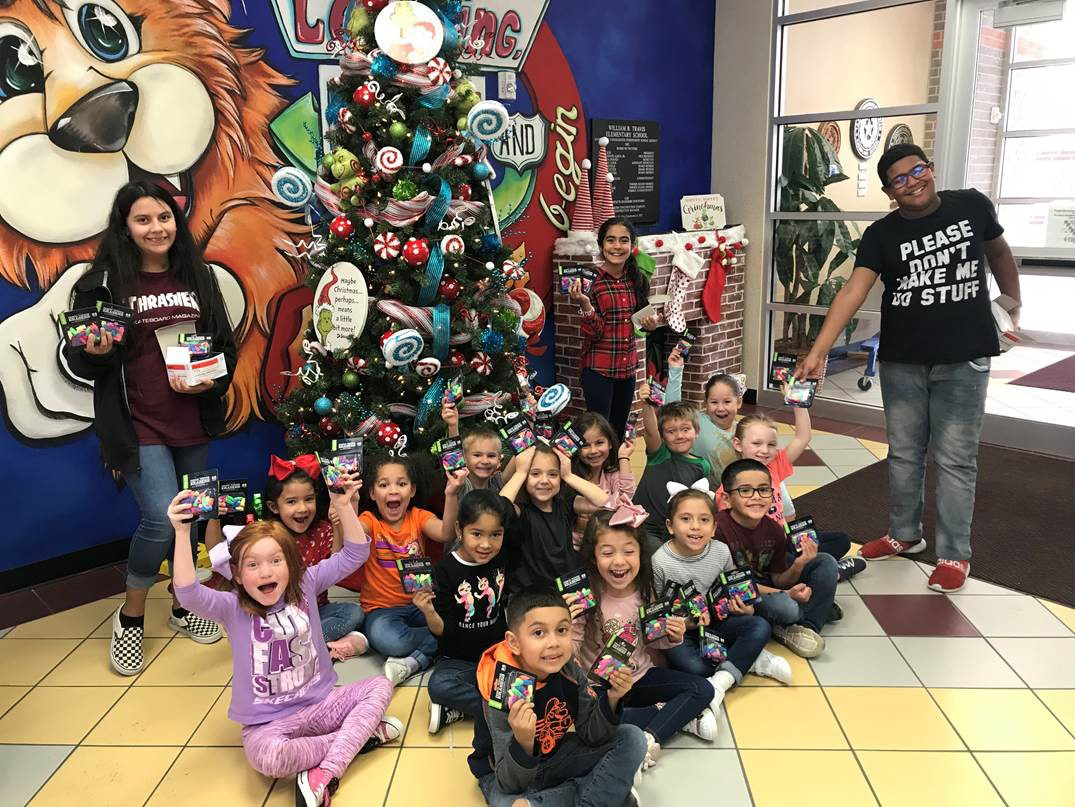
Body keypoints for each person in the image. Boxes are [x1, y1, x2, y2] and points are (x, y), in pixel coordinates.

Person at [799, 143, 1021, 593]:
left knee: (956, 459)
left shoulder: (972, 205)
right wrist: (818, 350)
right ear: (889, 191)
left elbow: (999, 254)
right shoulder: (881, 235)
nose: (911, 181)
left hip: (964, 357)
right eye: (899, 179)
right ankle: (904, 535)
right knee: (903, 452)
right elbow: (852, 293)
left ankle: (955, 554)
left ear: (931, 169)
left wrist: (1012, 304)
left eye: (917, 170)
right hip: (903, 361)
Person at [64, 180, 236, 676]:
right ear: (125, 227)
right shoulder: (100, 284)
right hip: (136, 423)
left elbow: (223, 344)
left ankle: (183, 604)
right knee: (161, 521)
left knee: (195, 516)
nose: (156, 228)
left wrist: (208, 374)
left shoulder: (197, 275)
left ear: (175, 222)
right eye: (143, 220)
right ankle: (131, 617)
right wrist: (94, 352)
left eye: (163, 217)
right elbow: (83, 362)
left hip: (194, 420)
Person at [168, 473, 399, 807]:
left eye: (276, 561)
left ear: (291, 565)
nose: (266, 573)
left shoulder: (305, 584)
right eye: (253, 565)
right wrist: (181, 531)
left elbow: (355, 554)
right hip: (267, 721)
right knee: (269, 760)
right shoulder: (232, 606)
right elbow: (188, 594)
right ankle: (357, 738)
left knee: (380, 686)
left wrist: (343, 505)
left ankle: (326, 772)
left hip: (320, 703)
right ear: (236, 574)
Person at [476, 586, 648, 807]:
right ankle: (605, 790)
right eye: (539, 633)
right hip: (503, 774)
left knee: (632, 737)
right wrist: (523, 742)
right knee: (509, 804)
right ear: (514, 643)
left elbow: (591, 735)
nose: (554, 643)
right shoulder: (500, 685)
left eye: (562, 630)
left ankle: (590, 791)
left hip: (555, 757)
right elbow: (510, 784)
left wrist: (612, 698)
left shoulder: (569, 669)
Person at [571, 509, 716, 771]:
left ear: (640, 553)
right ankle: (675, 716)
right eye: (607, 553)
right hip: (603, 687)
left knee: (704, 689)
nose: (619, 562)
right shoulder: (587, 596)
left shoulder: (645, 589)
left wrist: (673, 636)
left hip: (641, 677)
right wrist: (561, 628)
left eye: (628, 551)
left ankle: (650, 737)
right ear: (593, 557)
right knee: (595, 725)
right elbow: (572, 646)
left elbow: (653, 641)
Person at [654, 488, 790, 711]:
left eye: (704, 520)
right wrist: (687, 623)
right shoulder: (660, 562)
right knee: (695, 667)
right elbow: (658, 613)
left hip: (719, 620)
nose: (696, 526)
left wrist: (742, 608)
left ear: (714, 527)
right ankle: (748, 658)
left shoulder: (721, 551)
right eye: (686, 519)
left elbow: (733, 587)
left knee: (759, 625)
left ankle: (722, 681)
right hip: (685, 630)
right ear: (670, 526)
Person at [415, 488, 510, 777]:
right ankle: (502, 705)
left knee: (524, 675)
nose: (486, 544)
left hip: (495, 655)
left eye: (495, 534)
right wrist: (429, 612)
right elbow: (443, 632)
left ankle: (468, 709)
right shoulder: (446, 571)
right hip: (458, 661)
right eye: (477, 534)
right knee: (438, 686)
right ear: (459, 529)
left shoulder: (502, 557)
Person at [352, 455, 460, 685]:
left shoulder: (418, 517)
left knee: (453, 619)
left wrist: (450, 495)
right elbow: (354, 537)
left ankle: (417, 659)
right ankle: (433, 649)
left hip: (421, 603)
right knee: (392, 642)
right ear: (372, 493)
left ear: (412, 490)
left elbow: (445, 533)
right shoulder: (369, 520)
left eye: (401, 484)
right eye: (383, 485)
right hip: (381, 610)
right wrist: (347, 505)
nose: (393, 491)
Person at [715, 460, 838, 659]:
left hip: (769, 587)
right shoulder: (718, 529)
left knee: (826, 561)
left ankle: (805, 627)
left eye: (763, 490)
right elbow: (732, 586)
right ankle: (809, 612)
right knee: (786, 608)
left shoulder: (773, 529)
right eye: (745, 490)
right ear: (727, 499)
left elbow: (779, 577)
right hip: (741, 594)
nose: (756, 497)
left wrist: (799, 564)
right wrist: (785, 593)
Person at [721, 413, 863, 581]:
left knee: (842, 540)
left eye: (771, 444)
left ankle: (823, 569)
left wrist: (798, 403)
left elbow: (803, 437)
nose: (765, 450)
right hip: (766, 550)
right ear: (738, 444)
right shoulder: (729, 487)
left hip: (786, 537)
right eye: (756, 443)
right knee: (790, 563)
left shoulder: (774, 466)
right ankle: (826, 571)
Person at [262, 454, 367, 661]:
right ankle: (313, 648)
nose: (302, 508)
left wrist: (337, 526)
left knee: (353, 613)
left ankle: (306, 648)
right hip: (278, 619)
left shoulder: (321, 530)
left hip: (315, 612)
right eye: (291, 501)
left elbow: (336, 567)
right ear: (274, 507)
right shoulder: (266, 537)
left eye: (308, 499)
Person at [569, 217, 659, 439]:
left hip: (627, 370)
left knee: (618, 431)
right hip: (599, 369)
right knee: (599, 433)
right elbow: (595, 332)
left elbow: (638, 323)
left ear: (632, 245)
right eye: (610, 240)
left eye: (623, 240)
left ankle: (616, 473)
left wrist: (650, 325)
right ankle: (594, 474)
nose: (617, 246)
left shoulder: (636, 280)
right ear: (601, 246)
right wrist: (586, 305)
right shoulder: (591, 281)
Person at [500, 443, 611, 589]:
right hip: (529, 595)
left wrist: (568, 475)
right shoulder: (520, 511)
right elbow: (499, 510)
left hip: (565, 589)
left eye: (553, 474)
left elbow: (602, 502)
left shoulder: (565, 504)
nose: (544, 480)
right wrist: (519, 473)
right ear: (525, 478)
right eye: (535, 473)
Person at [633, 400, 710, 555]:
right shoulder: (660, 454)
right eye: (671, 431)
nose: (679, 436)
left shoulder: (703, 465)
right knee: (659, 556)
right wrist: (646, 404)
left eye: (685, 429)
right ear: (663, 436)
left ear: (696, 431)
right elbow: (650, 431)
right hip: (645, 526)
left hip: (677, 530)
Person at [570, 412, 637, 549]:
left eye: (599, 443)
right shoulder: (571, 477)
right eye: (585, 445)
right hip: (575, 548)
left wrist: (623, 457)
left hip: (607, 547)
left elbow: (627, 496)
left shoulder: (611, 474)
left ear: (610, 444)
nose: (593, 450)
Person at [440, 402, 516, 496]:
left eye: (491, 456)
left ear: (499, 460)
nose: (485, 461)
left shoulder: (496, 483)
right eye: (477, 455)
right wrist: (453, 425)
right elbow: (453, 453)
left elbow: (522, 451)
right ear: (464, 459)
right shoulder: (460, 482)